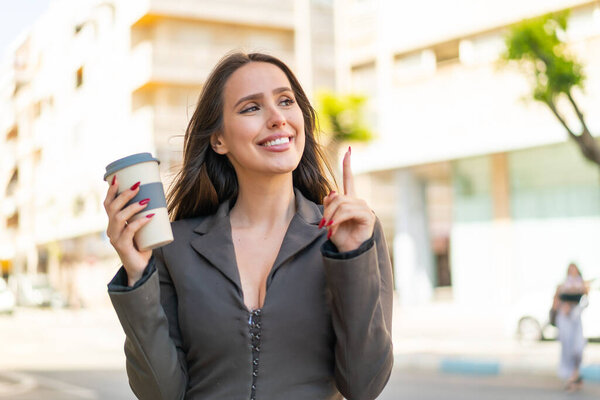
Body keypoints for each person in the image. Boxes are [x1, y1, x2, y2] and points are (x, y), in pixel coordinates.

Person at [103, 52, 394, 400]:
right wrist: (137, 279)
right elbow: (161, 393)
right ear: (218, 139)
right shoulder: (174, 249)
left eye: (286, 101)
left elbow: (363, 385)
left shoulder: (352, 232)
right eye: (251, 108)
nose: (277, 118)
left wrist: (352, 258)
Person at [551, 262, 589, 392]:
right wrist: (562, 306)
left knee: (578, 348)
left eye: (575, 270)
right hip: (565, 320)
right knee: (567, 348)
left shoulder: (582, 285)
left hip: (575, 320)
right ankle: (572, 377)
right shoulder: (562, 286)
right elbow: (555, 302)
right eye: (570, 270)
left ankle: (575, 375)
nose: (573, 272)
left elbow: (585, 300)